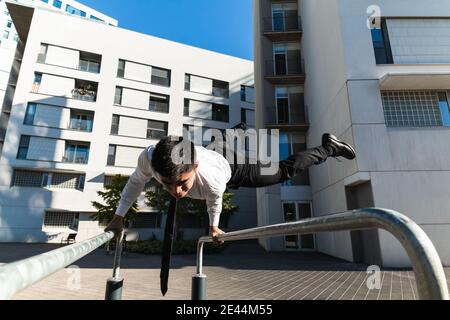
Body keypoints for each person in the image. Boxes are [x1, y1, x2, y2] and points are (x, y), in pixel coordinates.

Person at [105, 125, 356, 239]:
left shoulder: (212, 181)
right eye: (168, 184)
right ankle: (236, 129)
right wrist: (119, 215)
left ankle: (328, 148)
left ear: (194, 167)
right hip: (209, 151)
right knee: (219, 141)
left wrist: (213, 227)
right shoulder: (149, 158)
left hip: (232, 167)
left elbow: (214, 204)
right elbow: (134, 184)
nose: (176, 192)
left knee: (282, 171)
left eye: (182, 184)